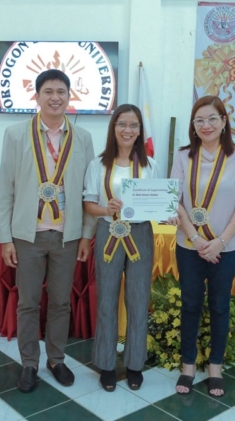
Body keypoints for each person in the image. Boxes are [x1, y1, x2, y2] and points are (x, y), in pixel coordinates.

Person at [0, 69, 95, 393]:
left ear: (69, 96)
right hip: (28, 235)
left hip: (67, 235)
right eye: (48, 91)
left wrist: (86, 235)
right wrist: (4, 238)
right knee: (28, 302)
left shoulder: (83, 138)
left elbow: (89, 192)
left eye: (61, 92)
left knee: (61, 302)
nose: (55, 97)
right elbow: (5, 190)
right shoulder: (15, 134)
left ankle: (56, 358)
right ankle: (29, 363)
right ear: (37, 96)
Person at [169, 95, 235, 397]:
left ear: (224, 122)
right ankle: (187, 366)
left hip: (227, 247)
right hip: (189, 246)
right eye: (199, 120)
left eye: (212, 119)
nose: (205, 125)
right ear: (192, 127)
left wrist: (221, 241)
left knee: (220, 306)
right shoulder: (183, 156)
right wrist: (196, 239)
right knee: (190, 305)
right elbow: (176, 202)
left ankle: (215, 367)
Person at [83, 104, 159, 392]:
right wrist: (106, 208)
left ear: (140, 130)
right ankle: (105, 363)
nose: (128, 130)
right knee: (107, 299)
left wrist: (168, 211)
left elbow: (158, 203)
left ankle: (135, 364)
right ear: (113, 127)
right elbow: (88, 205)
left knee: (139, 300)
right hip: (108, 232)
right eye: (122, 124)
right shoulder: (98, 164)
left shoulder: (150, 165)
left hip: (140, 233)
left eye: (134, 125)